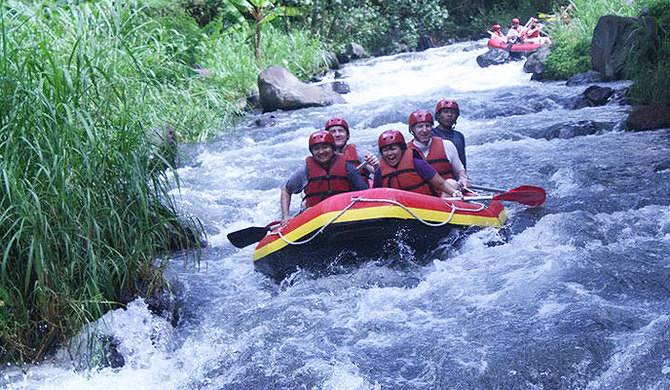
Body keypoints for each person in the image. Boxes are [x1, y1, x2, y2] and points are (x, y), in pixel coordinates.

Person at [280, 130, 369, 224]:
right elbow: (286, 190)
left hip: (343, 213)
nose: (321, 152)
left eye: (325, 147)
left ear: (333, 148)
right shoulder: (305, 171)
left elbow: (364, 193)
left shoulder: (347, 168)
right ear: (312, 152)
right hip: (315, 218)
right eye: (316, 149)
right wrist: (286, 216)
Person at [373, 130, 462, 197]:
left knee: (452, 183)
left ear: (402, 149)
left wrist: (455, 192)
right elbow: (375, 194)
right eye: (385, 150)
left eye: (393, 149)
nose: (390, 154)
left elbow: (440, 184)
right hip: (397, 209)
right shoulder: (380, 171)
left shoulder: (417, 164)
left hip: (425, 206)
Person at [407, 109, 469, 190]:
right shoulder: (406, 151)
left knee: (452, 183)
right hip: (420, 197)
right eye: (420, 126)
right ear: (412, 130)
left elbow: (460, 171)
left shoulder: (447, 145)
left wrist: (463, 179)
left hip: (448, 194)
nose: (424, 130)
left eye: (428, 126)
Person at [432, 99, 467, 170]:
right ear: (438, 116)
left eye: (453, 112)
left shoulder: (459, 136)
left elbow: (462, 162)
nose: (450, 115)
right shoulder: (430, 134)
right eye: (445, 112)